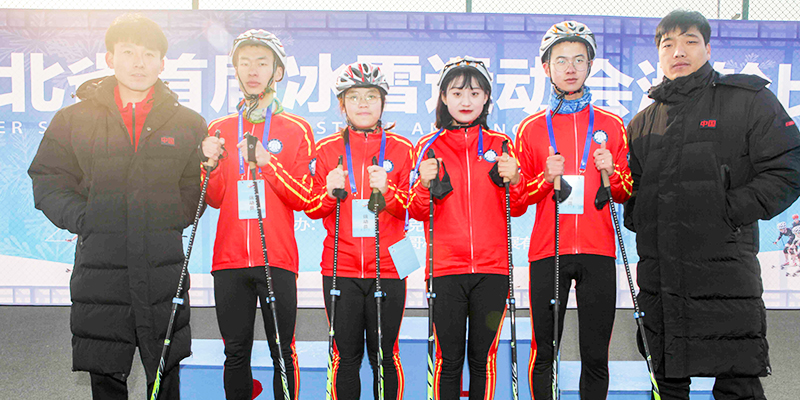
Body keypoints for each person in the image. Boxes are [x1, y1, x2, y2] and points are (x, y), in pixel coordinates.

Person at [27, 13, 207, 399]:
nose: (139, 63)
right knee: (106, 368)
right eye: (128, 52)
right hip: (101, 267)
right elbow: (48, 179)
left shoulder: (188, 123)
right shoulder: (74, 119)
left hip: (161, 265)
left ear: (162, 63)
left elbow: (196, 185)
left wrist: (174, 216)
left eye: (149, 54)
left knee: (165, 369)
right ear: (110, 58)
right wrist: (85, 218)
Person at [624, 10, 800, 400]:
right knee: (666, 379)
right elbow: (632, 189)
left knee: (737, 378)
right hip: (661, 277)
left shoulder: (747, 100)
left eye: (689, 41)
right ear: (658, 55)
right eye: (668, 44)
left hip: (725, 272)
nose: (678, 51)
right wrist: (638, 214)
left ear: (707, 48)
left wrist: (730, 209)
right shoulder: (642, 123)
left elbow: (789, 166)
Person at [511, 21, 632, 400]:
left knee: (595, 353)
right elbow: (518, 202)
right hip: (548, 252)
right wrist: (545, 179)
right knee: (544, 352)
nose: (570, 68)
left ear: (590, 65)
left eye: (579, 59)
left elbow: (626, 192)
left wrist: (612, 172)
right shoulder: (530, 128)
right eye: (561, 60)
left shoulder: (612, 124)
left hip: (599, 251)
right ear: (546, 67)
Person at [200, 29, 315, 400]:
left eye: (262, 63)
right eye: (245, 63)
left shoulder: (296, 129)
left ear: (277, 72)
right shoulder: (219, 129)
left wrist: (268, 163)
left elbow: (304, 197)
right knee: (235, 352)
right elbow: (214, 198)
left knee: (283, 350)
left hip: (276, 258)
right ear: (235, 70)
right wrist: (208, 164)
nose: (252, 70)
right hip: (228, 260)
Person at [407, 56, 522, 400]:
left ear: (486, 98)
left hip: (493, 271)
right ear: (444, 98)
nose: (466, 101)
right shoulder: (428, 146)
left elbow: (517, 207)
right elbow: (416, 211)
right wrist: (423, 185)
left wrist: (516, 180)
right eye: (457, 93)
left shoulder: (502, 144)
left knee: (482, 360)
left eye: (474, 93)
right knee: (449, 361)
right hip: (445, 271)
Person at [305, 61, 413, 400]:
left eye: (371, 96)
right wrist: (327, 192)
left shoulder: (403, 148)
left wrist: (389, 192)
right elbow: (312, 208)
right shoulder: (326, 149)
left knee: (386, 356)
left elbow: (417, 207)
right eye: (354, 97)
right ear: (342, 104)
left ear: (383, 102)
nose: (363, 104)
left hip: (391, 265)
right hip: (341, 266)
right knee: (346, 358)